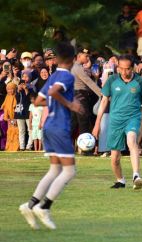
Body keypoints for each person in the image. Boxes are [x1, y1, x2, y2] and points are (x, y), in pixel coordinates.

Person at [19, 43, 84, 230]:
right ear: (73, 60)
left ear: (56, 59)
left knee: (55, 170)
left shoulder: (54, 75)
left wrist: (55, 102)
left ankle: (29, 205)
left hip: (48, 126)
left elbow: (39, 100)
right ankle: (44, 206)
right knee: (69, 171)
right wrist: (70, 105)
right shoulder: (66, 76)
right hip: (59, 127)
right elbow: (54, 92)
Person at [92, 55, 142, 189]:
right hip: (115, 120)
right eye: (121, 69)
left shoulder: (140, 81)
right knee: (115, 159)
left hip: (133, 118)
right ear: (117, 67)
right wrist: (97, 124)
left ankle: (136, 175)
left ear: (133, 68)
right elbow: (104, 101)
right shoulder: (112, 80)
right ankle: (120, 180)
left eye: (127, 69)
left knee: (131, 140)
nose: (124, 72)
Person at [71, 48, 102, 136]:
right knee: (84, 122)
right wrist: (101, 93)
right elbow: (88, 82)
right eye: (86, 56)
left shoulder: (76, 67)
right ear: (79, 56)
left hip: (75, 95)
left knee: (74, 122)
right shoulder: (77, 67)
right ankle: (86, 148)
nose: (88, 58)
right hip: (79, 95)